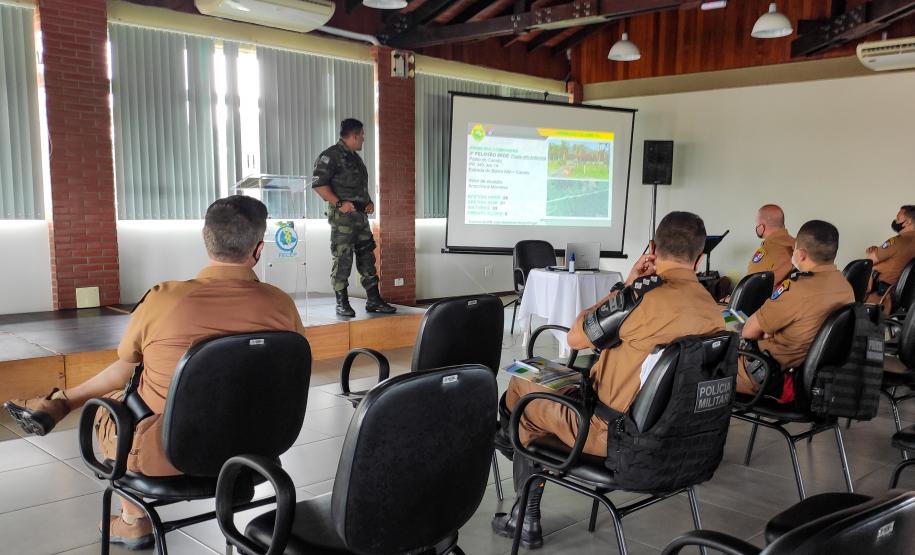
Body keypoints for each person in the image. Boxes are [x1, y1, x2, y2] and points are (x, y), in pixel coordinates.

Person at [3, 196, 306, 550]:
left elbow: (127, 364)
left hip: (164, 454)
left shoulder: (164, 299)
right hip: (256, 452)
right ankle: (59, 402)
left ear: (206, 238)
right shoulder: (281, 305)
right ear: (258, 249)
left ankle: (133, 520)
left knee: (122, 395)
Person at [492, 212, 726, 549]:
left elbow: (575, 337)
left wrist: (625, 287)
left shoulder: (640, 300)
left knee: (522, 385)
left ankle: (524, 509)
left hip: (613, 436)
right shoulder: (714, 308)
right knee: (538, 398)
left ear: (652, 249)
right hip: (684, 442)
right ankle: (518, 448)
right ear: (700, 257)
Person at [736, 220, 854, 397]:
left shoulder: (797, 289)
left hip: (768, 375)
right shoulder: (845, 287)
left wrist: (767, 332)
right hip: (812, 379)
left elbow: (748, 332)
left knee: (700, 362)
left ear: (800, 254)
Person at [312, 118, 396, 317]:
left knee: (367, 257)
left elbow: (357, 188)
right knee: (343, 259)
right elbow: (318, 185)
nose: (364, 139)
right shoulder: (330, 156)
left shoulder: (355, 158)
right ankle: (342, 303)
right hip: (343, 220)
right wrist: (339, 204)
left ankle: (374, 300)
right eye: (363, 135)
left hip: (360, 218)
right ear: (354, 135)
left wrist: (368, 203)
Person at [865, 205, 915, 312]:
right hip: (903, 302)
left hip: (879, 300)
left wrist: (873, 252)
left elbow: (870, 260)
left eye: (898, 218)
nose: (895, 221)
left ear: (908, 222)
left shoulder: (898, 241)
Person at [747, 204, 795, 288]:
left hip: (772, 300)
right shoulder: (796, 243)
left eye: (757, 224)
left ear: (761, 227)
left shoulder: (767, 250)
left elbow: (751, 286)